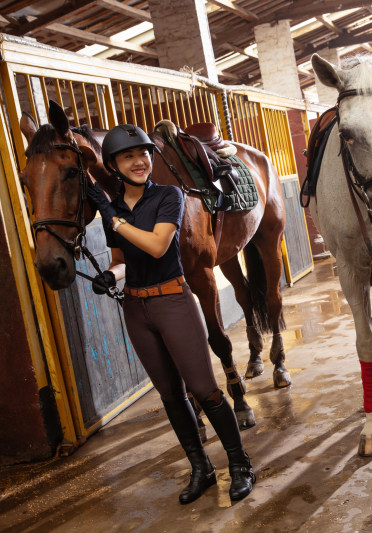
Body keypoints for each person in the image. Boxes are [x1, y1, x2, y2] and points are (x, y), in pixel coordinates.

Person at [85, 124, 255, 504]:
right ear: (113, 165)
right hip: (136, 307)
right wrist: (107, 275)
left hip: (173, 300)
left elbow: (159, 246)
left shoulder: (169, 196)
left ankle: (240, 465)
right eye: (128, 156)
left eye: (143, 154)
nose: (139, 161)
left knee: (204, 388)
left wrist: (112, 218)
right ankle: (201, 469)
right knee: (170, 395)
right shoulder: (115, 209)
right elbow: (122, 260)